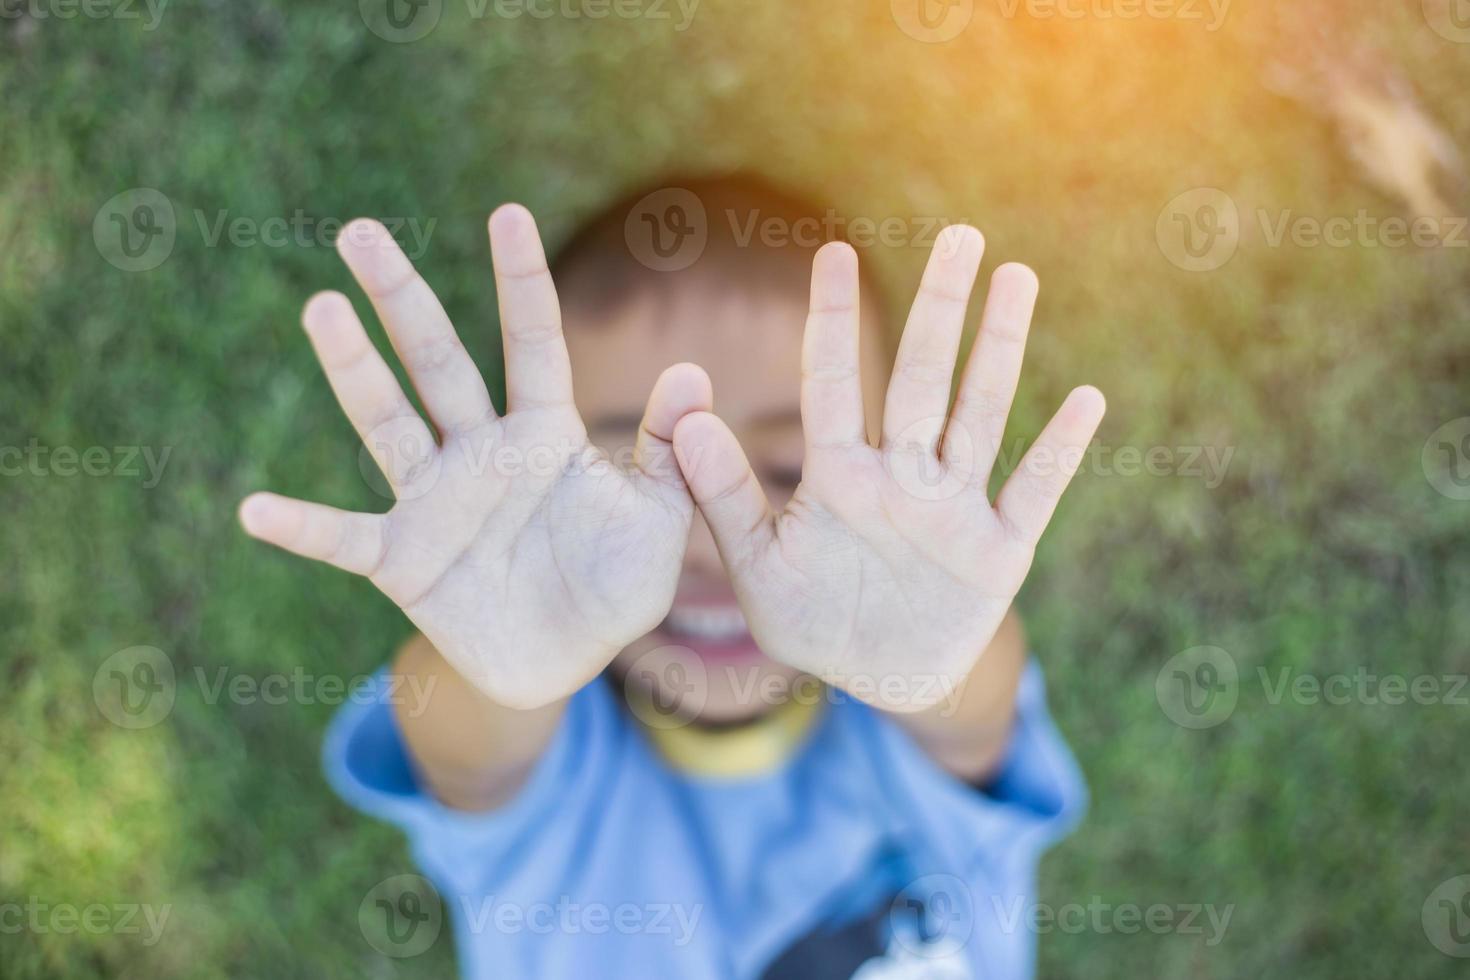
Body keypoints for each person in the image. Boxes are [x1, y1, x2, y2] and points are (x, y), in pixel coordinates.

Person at [238, 177, 1106, 978]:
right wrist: (511, 654)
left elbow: (971, 715)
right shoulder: (555, 781)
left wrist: (924, 660)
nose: (710, 541)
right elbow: (470, 758)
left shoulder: (906, 741)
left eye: (788, 467)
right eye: (631, 476)